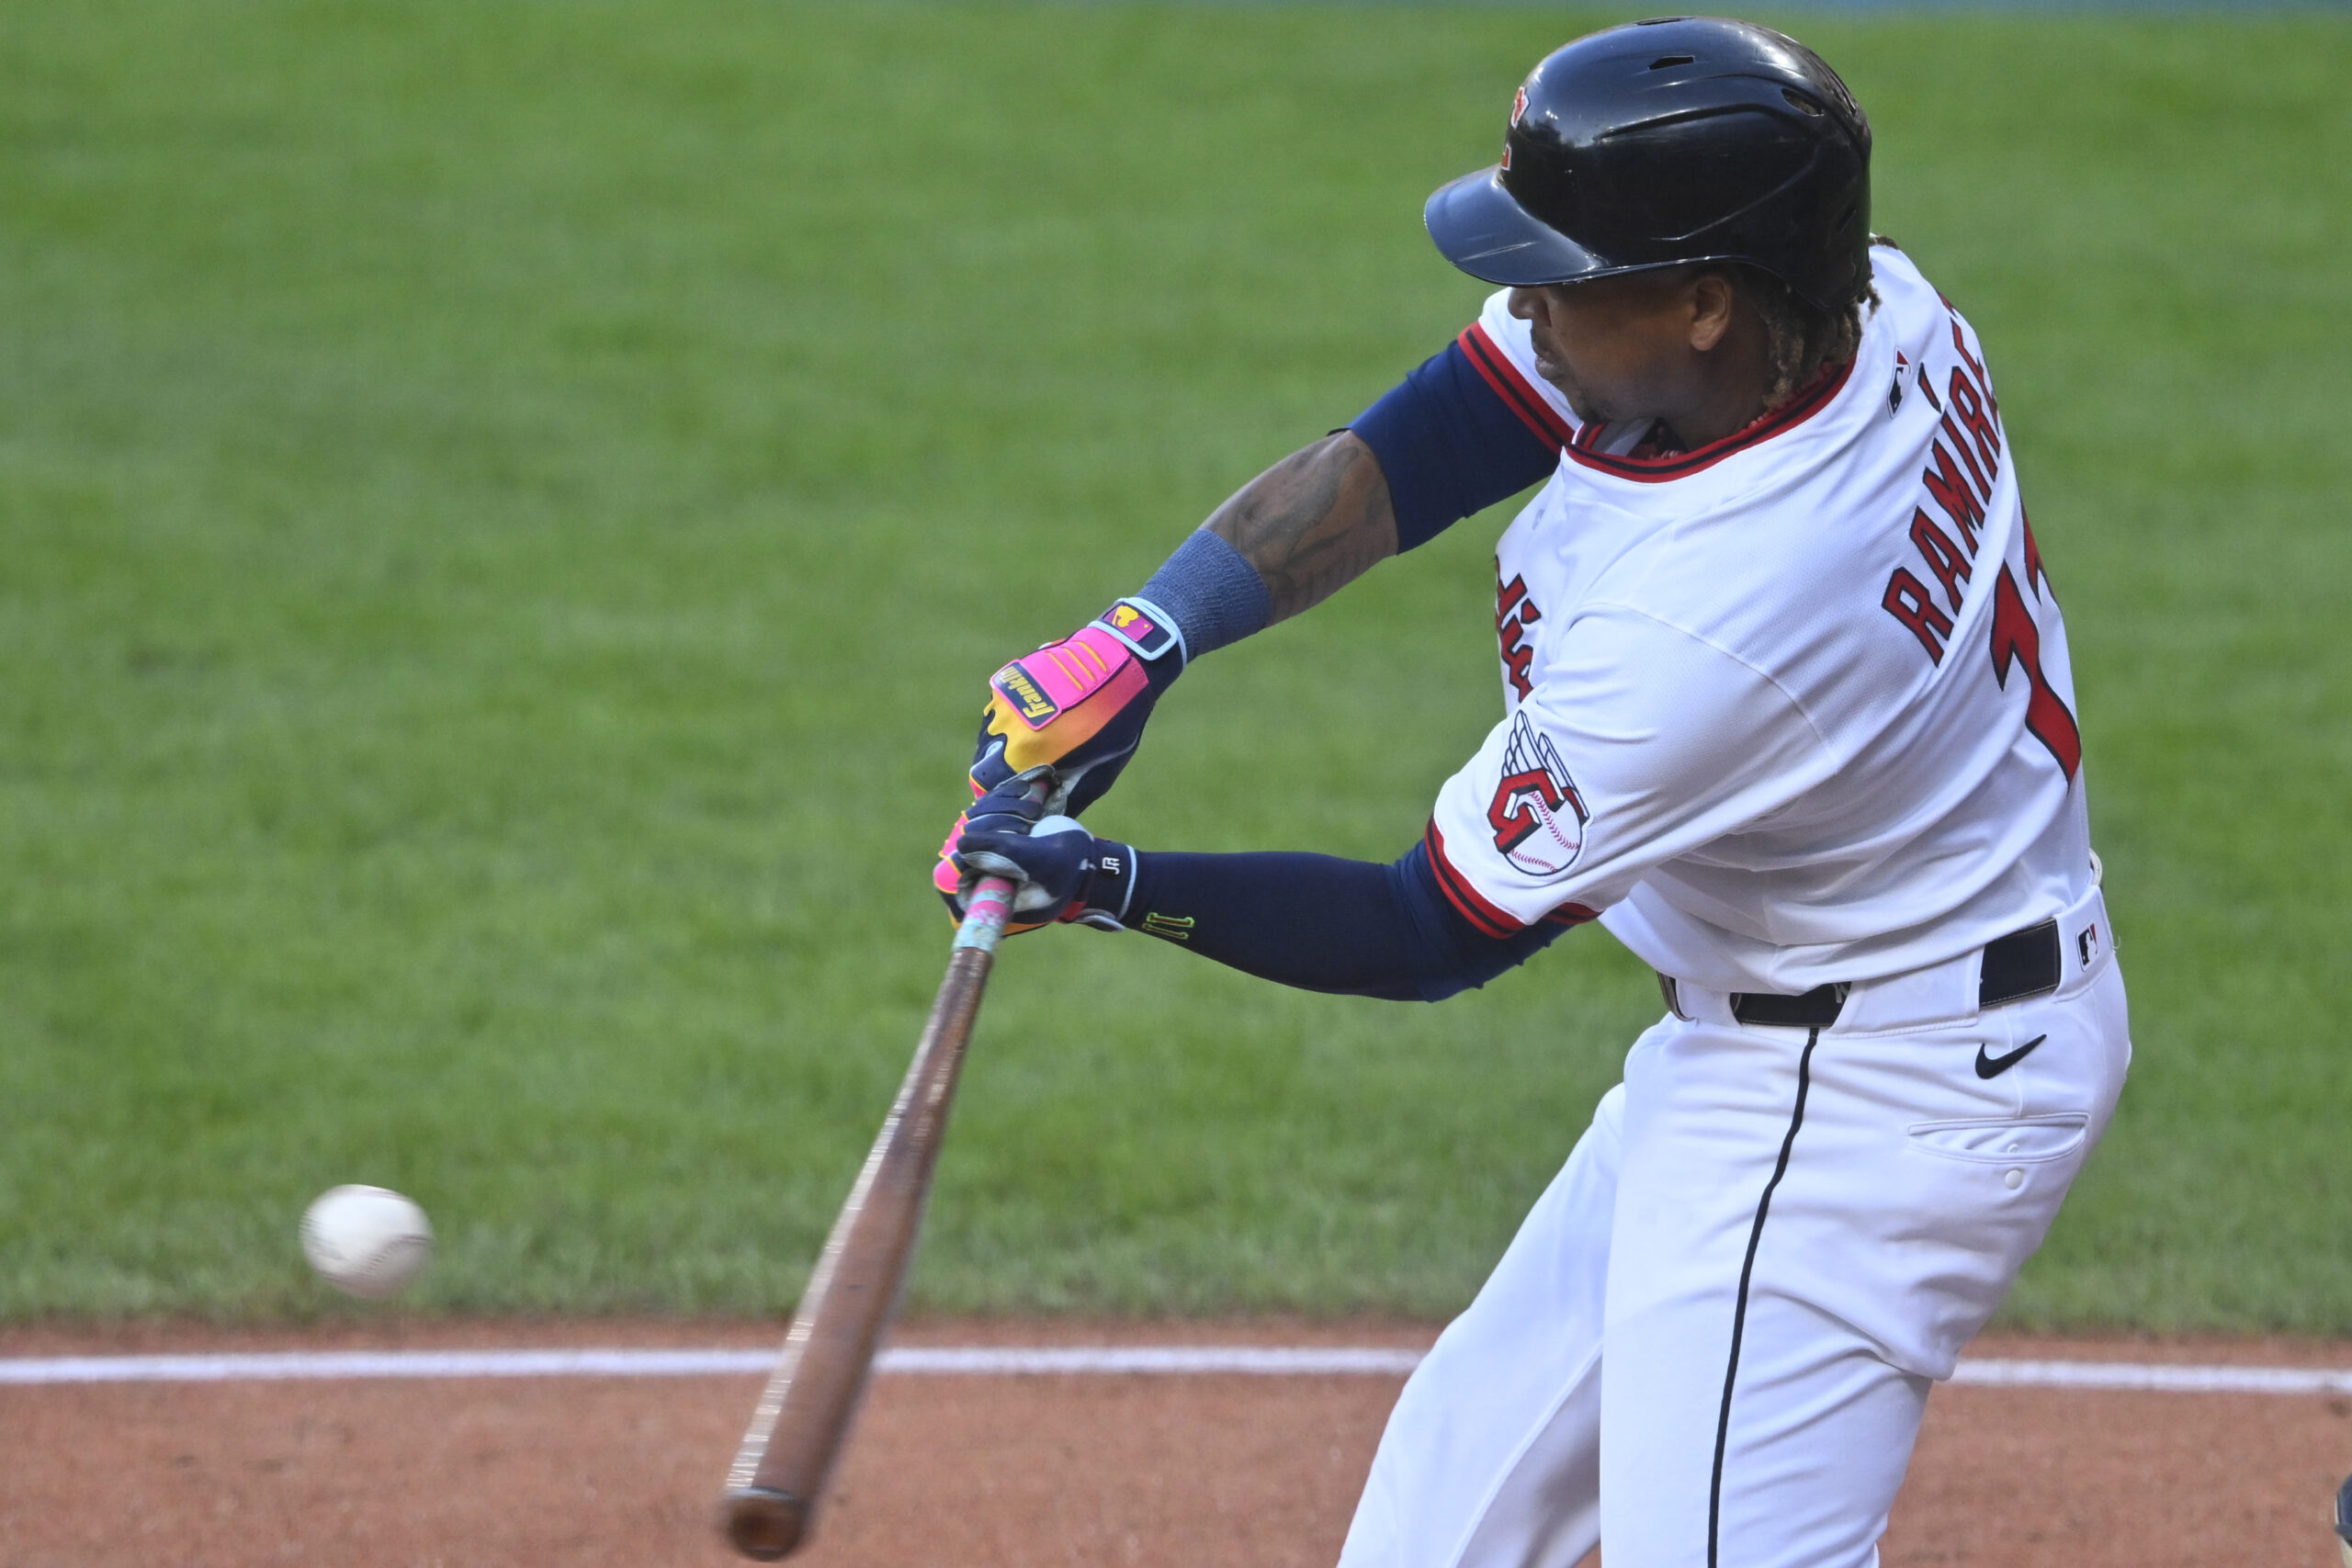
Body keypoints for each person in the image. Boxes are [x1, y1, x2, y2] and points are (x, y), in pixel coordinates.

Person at [933, 17, 2130, 1567]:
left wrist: (1108, 880)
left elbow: (1424, 928)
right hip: (1811, 1023)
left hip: (1874, 1103)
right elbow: (1444, 427)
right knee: (1443, 1530)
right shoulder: (1852, 308)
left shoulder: (1722, 620)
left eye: (1568, 273)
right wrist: (1147, 640)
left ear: (1703, 300)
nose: (1531, 303)